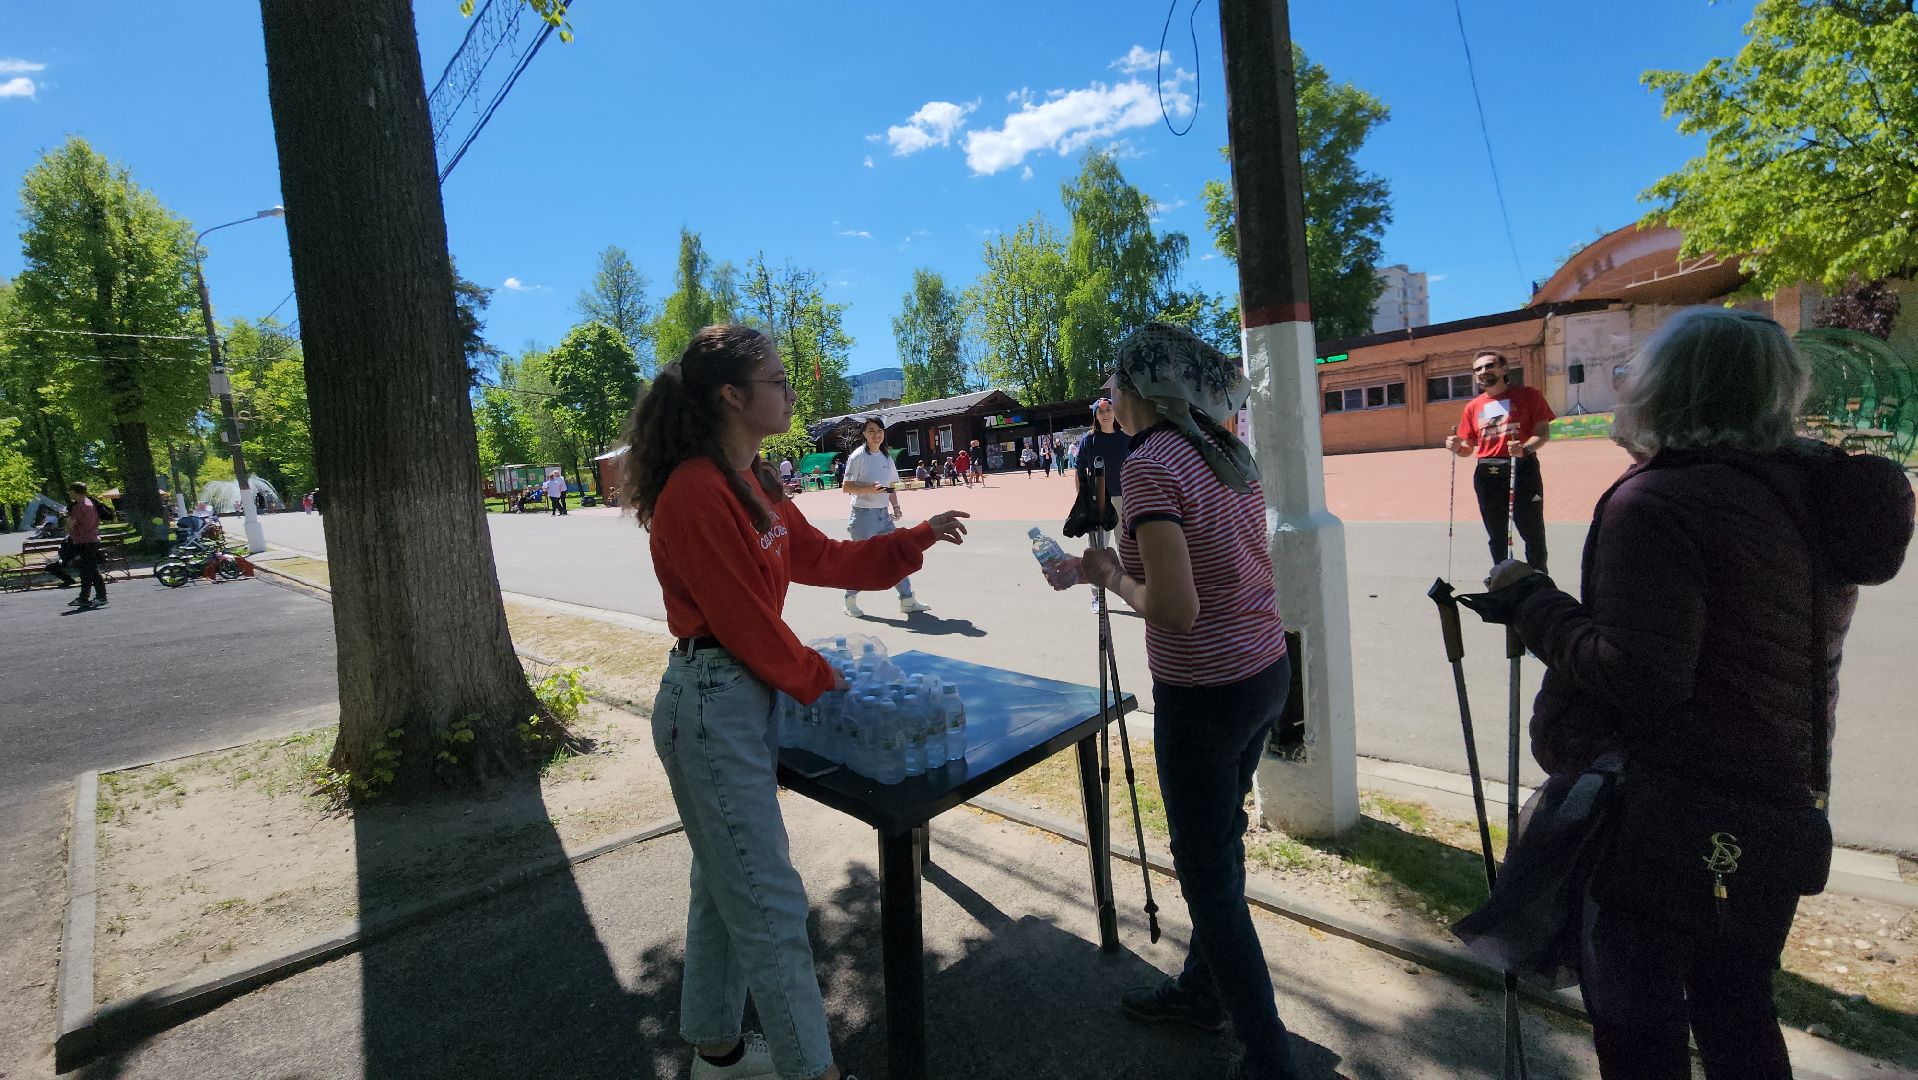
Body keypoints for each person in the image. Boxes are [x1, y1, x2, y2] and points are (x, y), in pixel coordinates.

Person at [1467, 308, 1913, 1080]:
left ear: (1667, 388)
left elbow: (1636, 678)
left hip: (1665, 809)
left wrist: (1531, 599)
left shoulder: (1662, 501)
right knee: (1738, 1009)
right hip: (1778, 802)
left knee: (1640, 1029)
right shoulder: (1811, 486)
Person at [625, 325, 967, 1080]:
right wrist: (827, 680)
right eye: (776, 381)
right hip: (712, 703)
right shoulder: (694, 491)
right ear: (731, 396)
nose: (789, 391)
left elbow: (824, 558)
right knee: (771, 905)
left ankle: (716, 1053)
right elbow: (745, 621)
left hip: (741, 698)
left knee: (727, 884)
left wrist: (914, 539)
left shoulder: (754, 482)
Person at [1065, 323, 1301, 1080]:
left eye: (1115, 382)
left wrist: (1108, 576)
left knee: (1207, 873)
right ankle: (1203, 990)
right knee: (1219, 846)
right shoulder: (1222, 448)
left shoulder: (1155, 463)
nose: (1108, 395)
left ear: (1141, 390)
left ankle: (1268, 1056)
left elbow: (1174, 607)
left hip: (1205, 694)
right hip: (1264, 671)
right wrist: (1096, 568)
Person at [1445, 350, 1555, 572]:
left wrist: (1525, 448)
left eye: (1489, 366)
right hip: (1488, 474)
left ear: (1504, 369)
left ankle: (1539, 578)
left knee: (1532, 531)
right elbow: (1468, 448)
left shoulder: (1528, 395)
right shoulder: (1473, 407)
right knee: (1497, 535)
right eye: (1478, 369)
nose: (1483, 372)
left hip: (1521, 468)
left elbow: (1542, 432)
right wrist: (1457, 447)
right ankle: (1502, 578)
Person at [840, 417, 934, 619]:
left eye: (879, 430)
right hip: (863, 515)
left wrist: (896, 506)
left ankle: (907, 600)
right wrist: (868, 489)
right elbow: (846, 487)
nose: (876, 435)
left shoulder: (886, 458)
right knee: (862, 561)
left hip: (883, 516)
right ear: (865, 434)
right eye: (871, 431)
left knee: (896, 555)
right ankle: (850, 600)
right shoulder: (858, 457)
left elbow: (890, 487)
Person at [1075, 397, 1132, 612]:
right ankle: (1097, 595)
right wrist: (1083, 499)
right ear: (1095, 416)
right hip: (1098, 502)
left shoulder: (1126, 437)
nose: (1106, 414)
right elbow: (1080, 470)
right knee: (1097, 548)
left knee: (1126, 547)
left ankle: (1128, 589)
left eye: (1109, 409)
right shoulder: (1088, 440)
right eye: (1101, 411)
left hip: (1124, 499)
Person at [63, 481, 109, 610]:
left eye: (71, 492)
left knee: (92, 570)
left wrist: (66, 525)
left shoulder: (78, 507)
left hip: (83, 541)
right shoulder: (91, 503)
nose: (69, 494)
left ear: (76, 492)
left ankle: (101, 597)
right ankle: (84, 597)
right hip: (93, 539)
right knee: (86, 570)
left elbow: (70, 527)